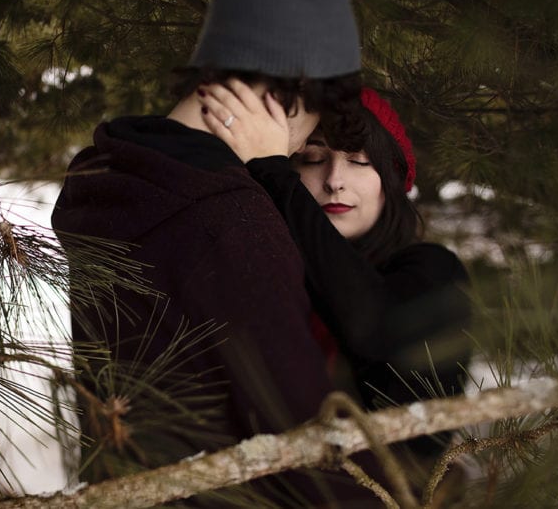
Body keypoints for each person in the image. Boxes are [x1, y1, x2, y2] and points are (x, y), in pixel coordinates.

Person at [52, 0, 379, 506]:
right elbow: (301, 433)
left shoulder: (106, 170)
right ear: (289, 95)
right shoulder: (227, 215)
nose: (301, 147)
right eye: (311, 125)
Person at [199, 81, 472, 458]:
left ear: (390, 183)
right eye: (312, 158)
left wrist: (273, 171)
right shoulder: (256, 273)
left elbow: (375, 328)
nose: (334, 181)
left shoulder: (435, 271)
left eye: (359, 161)